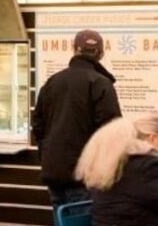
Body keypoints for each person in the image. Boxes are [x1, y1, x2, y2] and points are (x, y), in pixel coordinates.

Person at [32, 30, 121, 212]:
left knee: (62, 219)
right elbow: (112, 131)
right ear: (101, 53)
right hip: (85, 175)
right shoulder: (100, 83)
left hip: (54, 171)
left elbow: (38, 125)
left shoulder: (52, 82)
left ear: (74, 50)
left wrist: (48, 153)